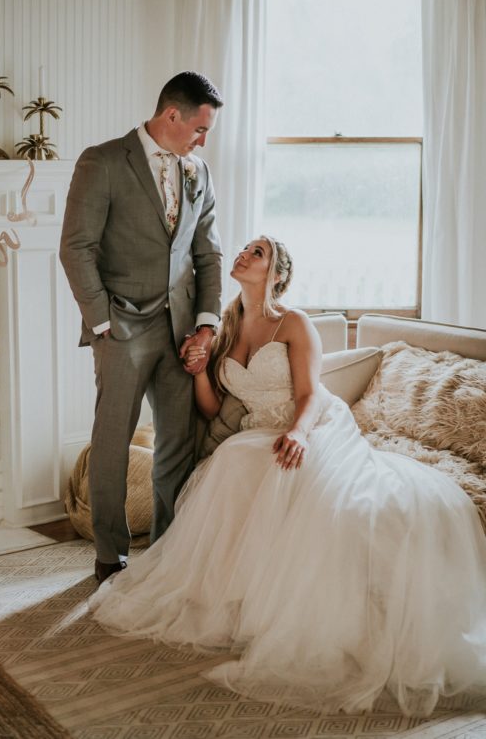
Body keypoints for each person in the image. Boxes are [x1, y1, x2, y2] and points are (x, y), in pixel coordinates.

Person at [91, 236, 486, 716]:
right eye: (244, 249)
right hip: (258, 431)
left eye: (256, 253)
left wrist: (299, 433)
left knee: (297, 483)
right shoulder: (226, 325)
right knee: (232, 466)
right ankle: (241, 600)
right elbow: (214, 406)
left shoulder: (293, 323)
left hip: (312, 425)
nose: (243, 255)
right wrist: (198, 368)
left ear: (276, 274)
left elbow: (309, 394)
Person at [59, 71, 224, 583]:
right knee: (113, 440)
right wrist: (102, 321)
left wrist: (206, 324)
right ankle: (111, 555)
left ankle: (167, 549)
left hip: (180, 330)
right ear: (171, 115)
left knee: (177, 440)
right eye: (200, 128)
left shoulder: (199, 171)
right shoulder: (103, 161)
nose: (203, 140)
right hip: (121, 329)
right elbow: (76, 247)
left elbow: (208, 253)